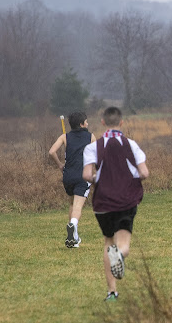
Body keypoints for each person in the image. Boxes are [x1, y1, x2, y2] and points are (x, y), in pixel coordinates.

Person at [82, 107, 150, 301]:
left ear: (102, 122)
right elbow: (144, 173)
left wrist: (98, 178)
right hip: (126, 200)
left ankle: (112, 292)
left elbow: (87, 175)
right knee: (122, 244)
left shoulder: (93, 147)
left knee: (108, 243)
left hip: (102, 202)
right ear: (121, 123)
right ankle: (120, 255)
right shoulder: (131, 145)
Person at [48, 111, 97, 248]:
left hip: (68, 176)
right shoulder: (90, 136)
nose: (88, 124)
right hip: (83, 176)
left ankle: (74, 239)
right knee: (77, 206)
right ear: (81, 124)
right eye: (86, 121)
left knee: (71, 204)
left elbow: (51, 151)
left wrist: (59, 165)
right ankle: (73, 224)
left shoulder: (65, 137)